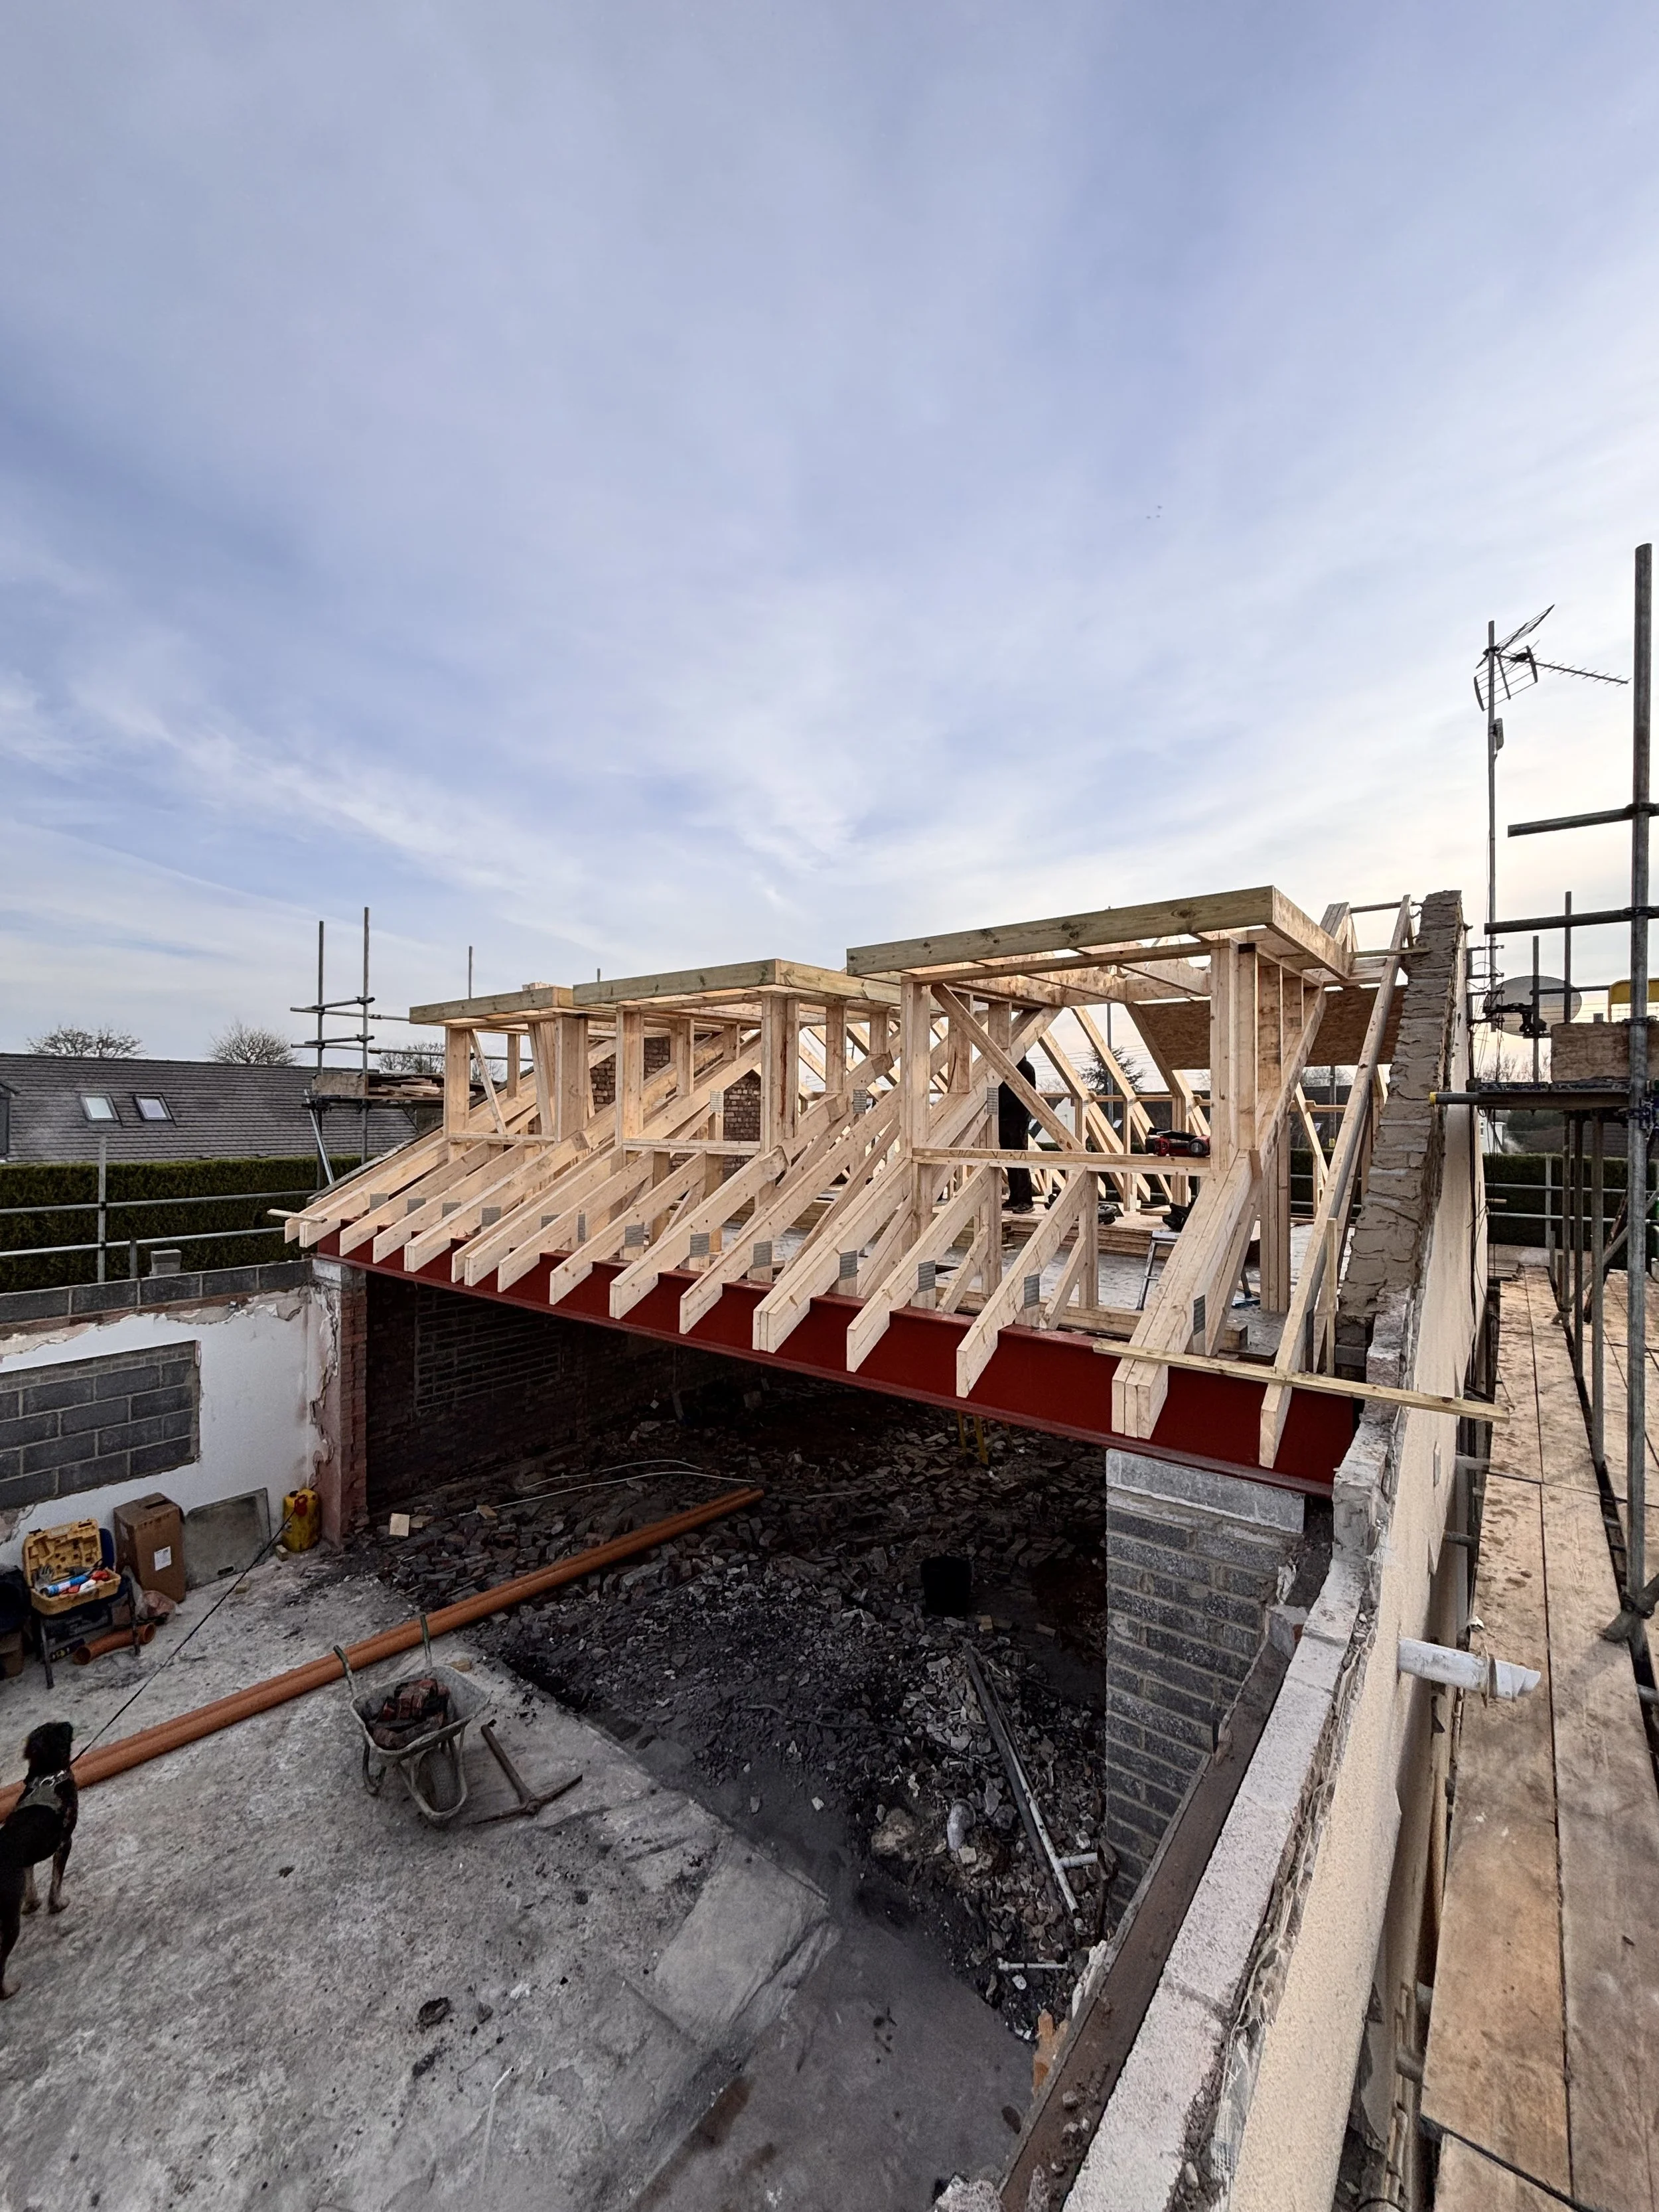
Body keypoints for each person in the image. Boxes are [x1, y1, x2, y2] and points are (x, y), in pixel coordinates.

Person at [999, 1057, 1038, 1214]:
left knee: (1020, 1159)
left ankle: (1025, 1199)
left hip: (1018, 1118)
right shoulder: (1001, 1066)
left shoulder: (1026, 1068)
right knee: (1010, 1159)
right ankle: (1015, 1197)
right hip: (1003, 1118)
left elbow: (1028, 1094)